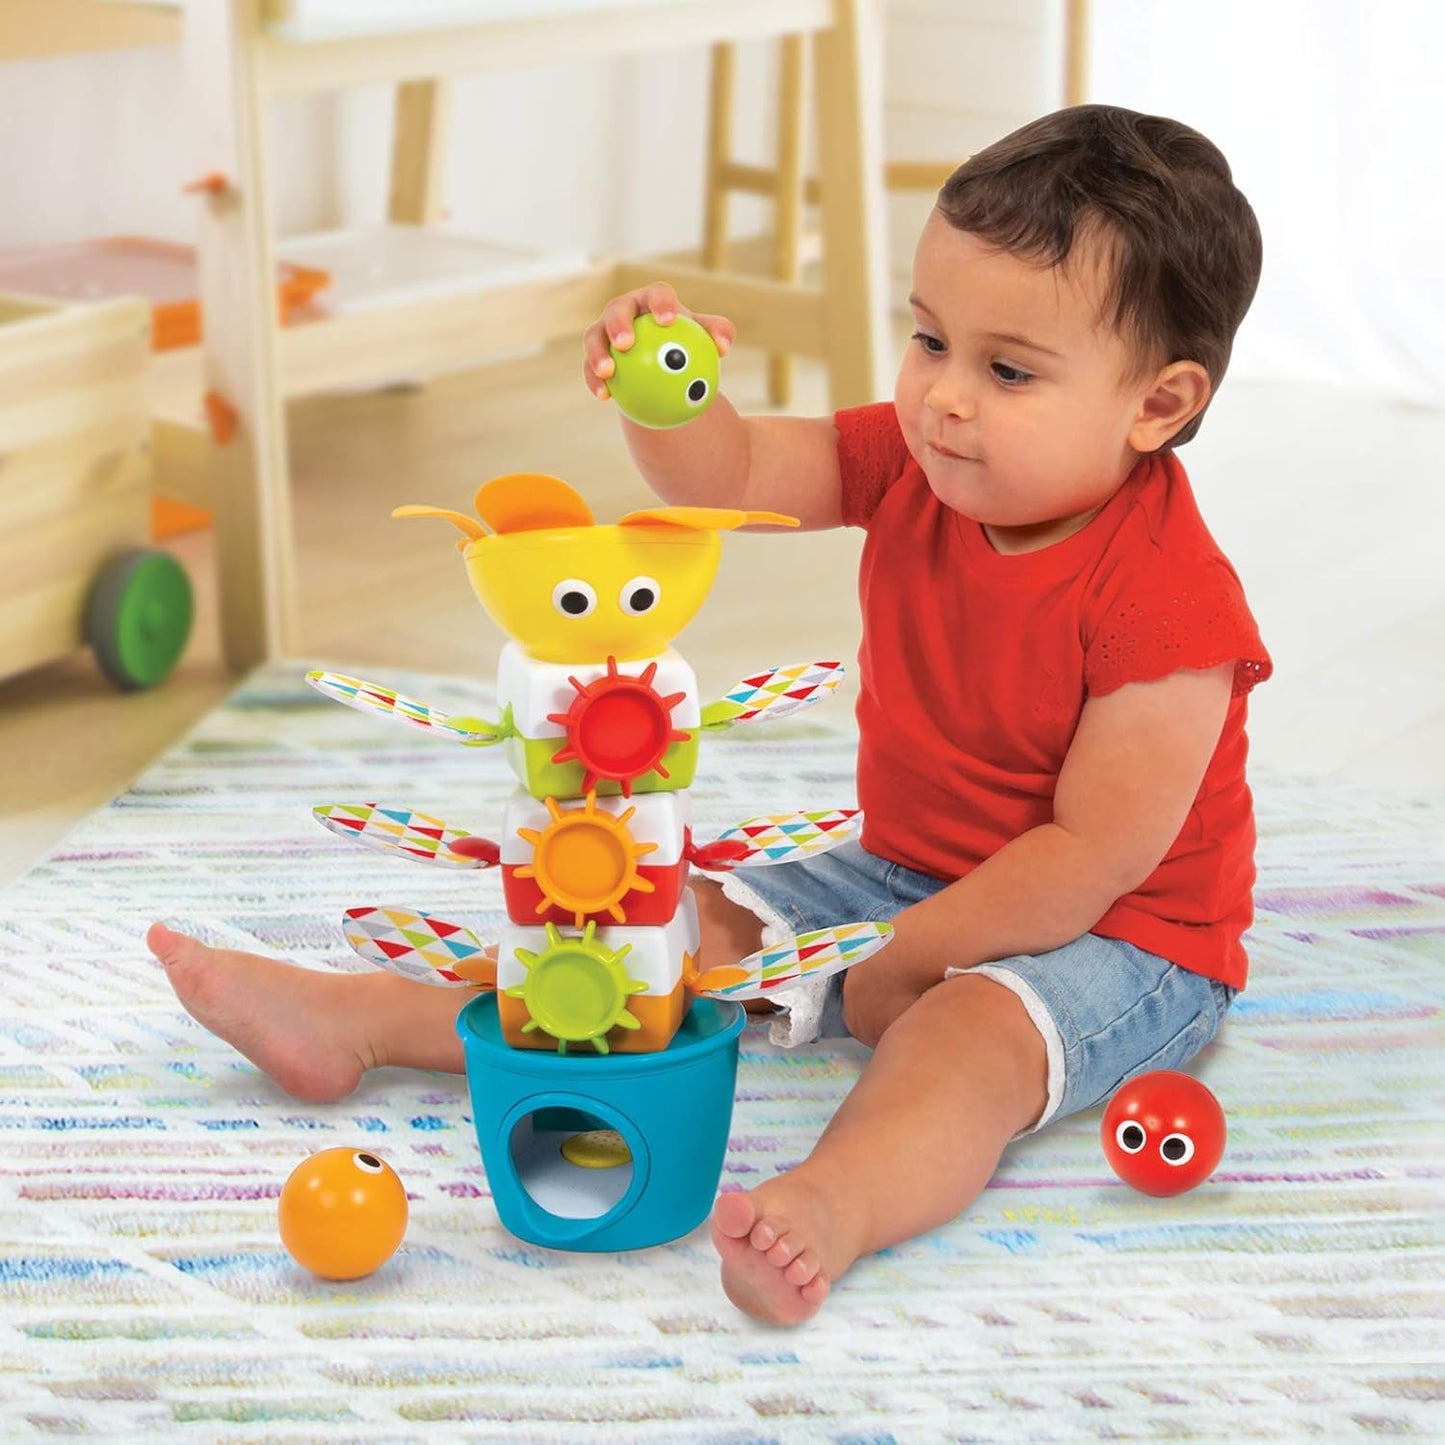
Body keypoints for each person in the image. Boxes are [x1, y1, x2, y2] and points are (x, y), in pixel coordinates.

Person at [150, 103, 1271, 1328]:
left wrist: (908, 957)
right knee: (645, 926)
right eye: (927, 338)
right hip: (906, 867)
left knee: (964, 1038)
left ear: (1156, 404)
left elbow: (1089, 854)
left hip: (1121, 932)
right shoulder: (916, 463)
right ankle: (359, 1019)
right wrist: (669, 396)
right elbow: (729, 477)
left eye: (1005, 371)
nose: (942, 397)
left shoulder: (1170, 605)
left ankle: (834, 1202)